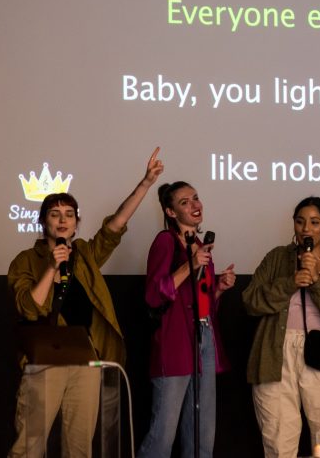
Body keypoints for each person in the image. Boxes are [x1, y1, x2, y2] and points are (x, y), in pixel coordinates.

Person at [7, 148, 164, 458]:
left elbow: (116, 225)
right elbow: (28, 306)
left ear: (77, 224)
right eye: (55, 214)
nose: (63, 220)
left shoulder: (85, 254)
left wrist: (145, 183)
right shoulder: (27, 260)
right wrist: (52, 267)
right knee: (29, 447)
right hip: (45, 363)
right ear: (43, 222)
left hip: (88, 362)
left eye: (69, 215)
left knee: (79, 449)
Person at [243, 196, 320, 458]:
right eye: (300, 222)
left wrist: (317, 280)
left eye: (315, 222)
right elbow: (250, 301)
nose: (306, 228)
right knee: (278, 436)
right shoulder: (276, 257)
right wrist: (290, 282)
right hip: (275, 352)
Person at [137, 181, 237, 458]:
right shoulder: (165, 241)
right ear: (170, 212)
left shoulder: (201, 246)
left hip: (204, 336)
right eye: (185, 202)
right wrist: (189, 265)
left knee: (202, 432)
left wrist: (218, 289)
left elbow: (201, 304)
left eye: (196, 198)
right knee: (162, 434)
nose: (195, 205)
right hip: (175, 342)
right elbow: (155, 295)